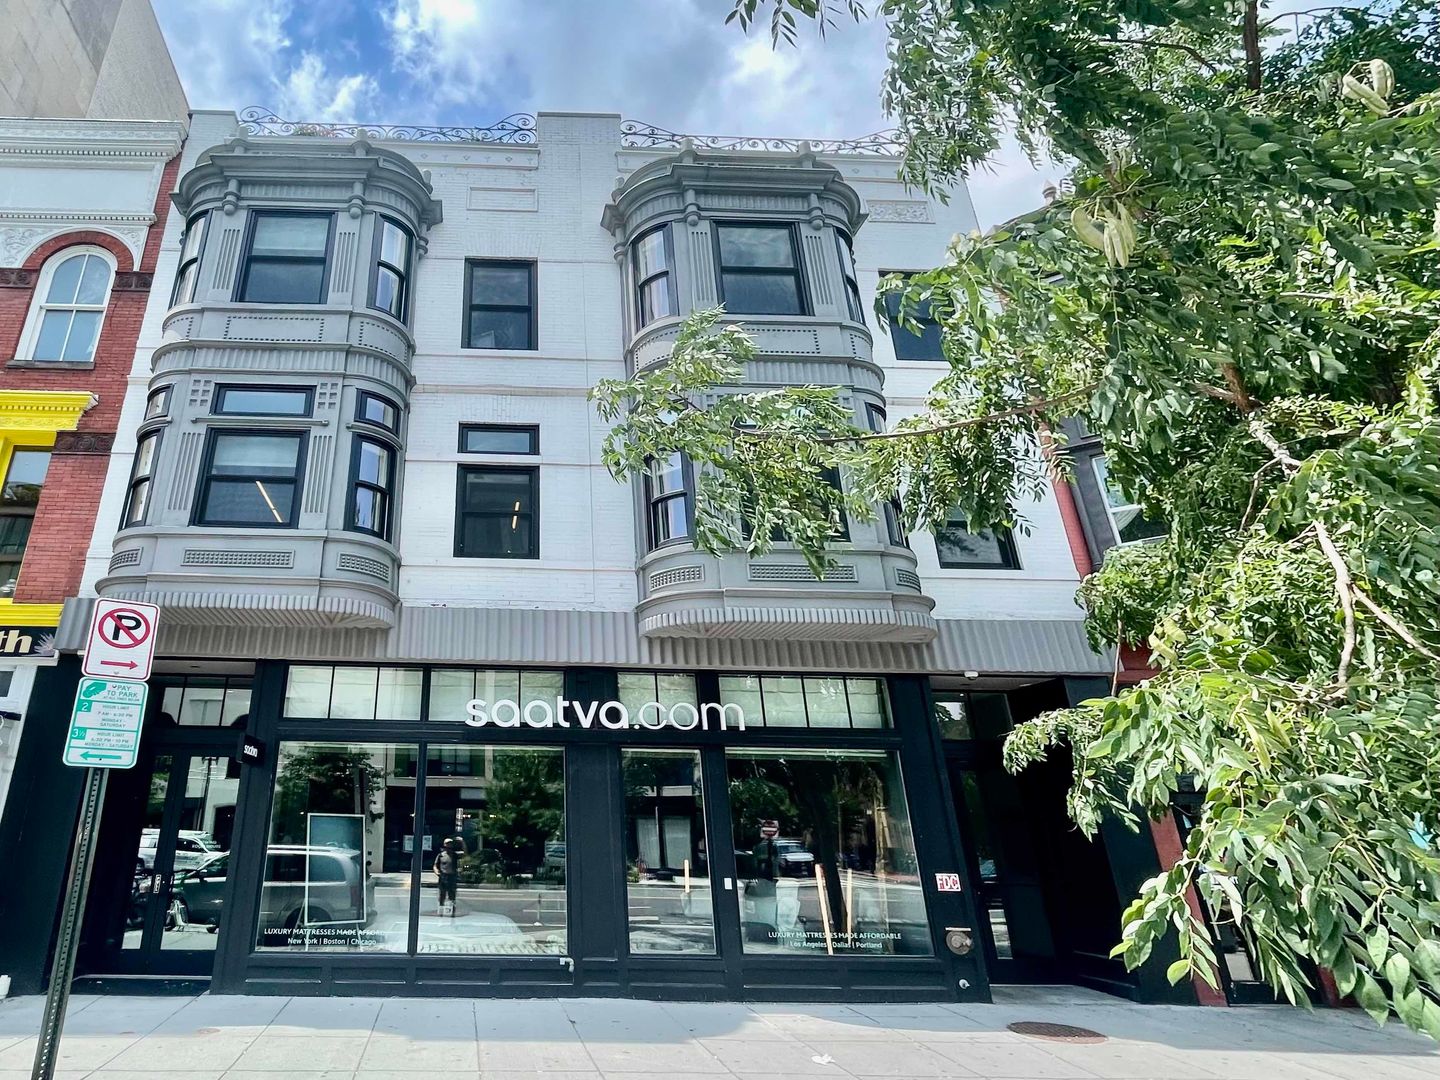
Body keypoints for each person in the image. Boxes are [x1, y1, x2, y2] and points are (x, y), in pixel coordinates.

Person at [434, 838, 460, 916]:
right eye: (447, 843)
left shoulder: (455, 855)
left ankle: (452, 912)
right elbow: (435, 865)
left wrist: (462, 842)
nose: (449, 845)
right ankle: (440, 911)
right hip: (443, 876)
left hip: (452, 877)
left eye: (450, 843)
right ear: (444, 845)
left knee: (452, 895)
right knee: (442, 895)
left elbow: (465, 854)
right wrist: (437, 872)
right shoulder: (441, 855)